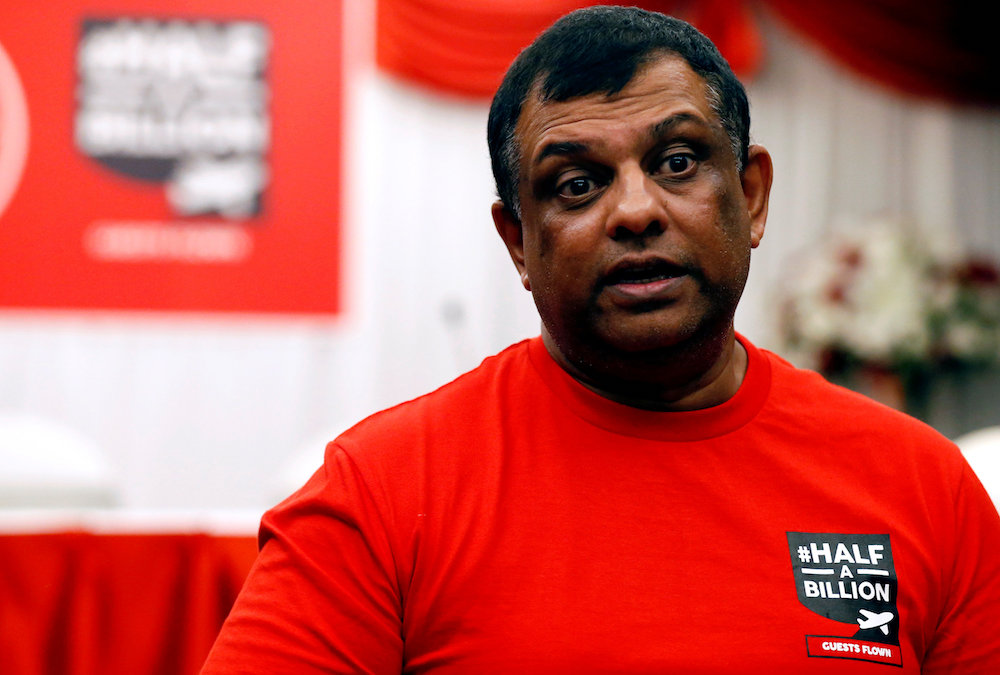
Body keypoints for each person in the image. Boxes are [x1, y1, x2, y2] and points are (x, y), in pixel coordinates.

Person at [201, 7, 1000, 673]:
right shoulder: (381, 493)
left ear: (751, 197)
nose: (635, 211)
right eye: (576, 184)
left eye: (679, 161)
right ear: (519, 241)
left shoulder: (921, 484)